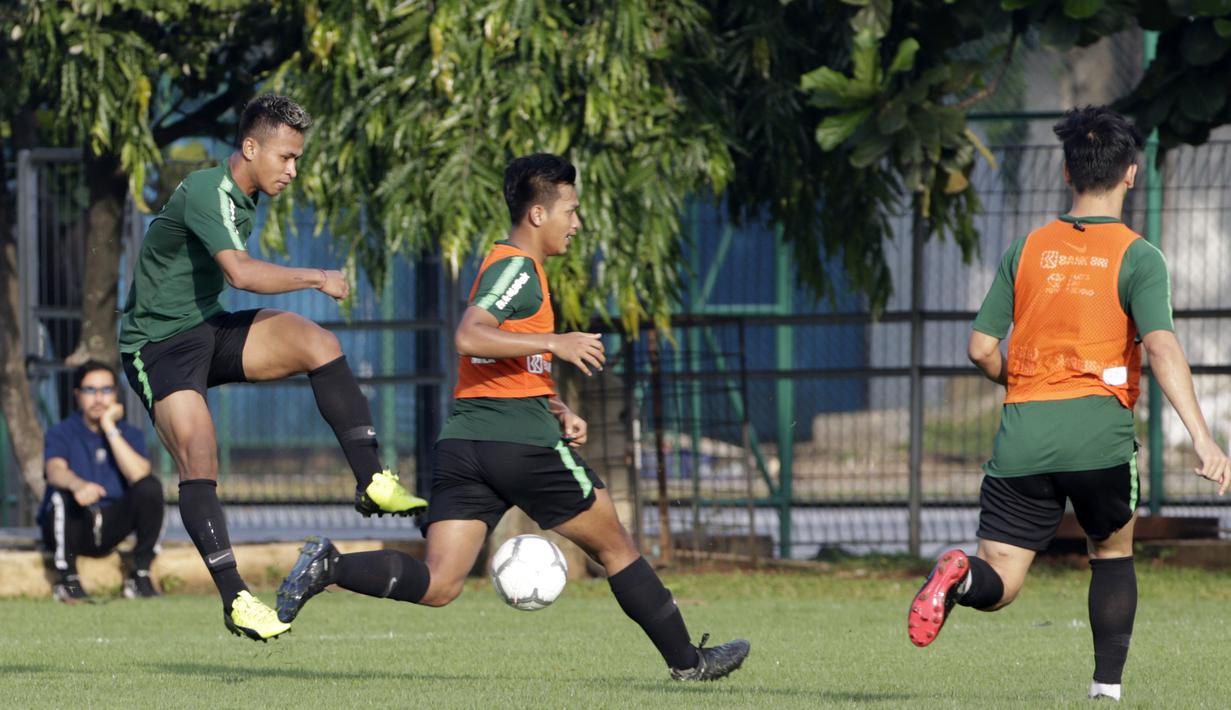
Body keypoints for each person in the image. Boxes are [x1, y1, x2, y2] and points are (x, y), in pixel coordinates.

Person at [277, 153, 750, 681]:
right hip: (520, 446)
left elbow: (498, 362)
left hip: (466, 444)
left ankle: (331, 565)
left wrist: (553, 402)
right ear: (538, 214)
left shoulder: (512, 269)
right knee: (617, 546)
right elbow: (469, 333)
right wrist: (559, 342)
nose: (577, 222)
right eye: (570, 210)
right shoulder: (517, 268)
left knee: (440, 583)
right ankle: (689, 663)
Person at [906, 106, 1231, 702]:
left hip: (1024, 432)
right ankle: (1106, 689)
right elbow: (1161, 347)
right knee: (1111, 553)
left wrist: (1024, 385)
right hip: (1098, 434)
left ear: (1065, 173)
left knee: (1000, 581)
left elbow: (980, 348)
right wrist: (1204, 438)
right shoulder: (1139, 256)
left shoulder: (1027, 249)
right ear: (1131, 174)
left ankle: (956, 575)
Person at [117, 93, 427, 642]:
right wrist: (318, 277)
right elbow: (239, 272)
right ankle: (237, 597)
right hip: (157, 347)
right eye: (285, 156)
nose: (293, 169)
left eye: (298, 158)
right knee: (199, 454)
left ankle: (373, 480)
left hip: (206, 328)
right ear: (250, 146)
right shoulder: (207, 190)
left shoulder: (245, 196)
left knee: (316, 341)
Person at [39, 360, 164, 603]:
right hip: (78, 522)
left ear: (116, 394)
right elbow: (54, 470)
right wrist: (78, 485)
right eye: (90, 390)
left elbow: (139, 474)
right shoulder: (61, 432)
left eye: (106, 390)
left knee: (150, 487)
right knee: (59, 496)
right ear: (77, 395)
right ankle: (67, 580)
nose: (98, 398)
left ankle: (140, 575)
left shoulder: (130, 434)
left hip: (112, 524)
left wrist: (109, 427)